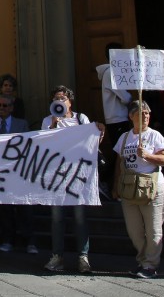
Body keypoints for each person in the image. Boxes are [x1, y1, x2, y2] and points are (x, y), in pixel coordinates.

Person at [42, 85, 100, 272]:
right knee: (57, 218)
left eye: (63, 98)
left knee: (79, 217)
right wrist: (53, 124)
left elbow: (91, 142)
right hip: (56, 176)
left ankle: (83, 257)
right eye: (56, 98)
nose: (59, 101)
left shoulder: (81, 119)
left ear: (70, 101)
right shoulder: (47, 121)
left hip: (78, 175)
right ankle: (57, 256)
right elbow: (43, 145)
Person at [112, 100, 164, 279]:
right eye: (141, 113)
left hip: (151, 186)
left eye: (147, 113)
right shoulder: (124, 138)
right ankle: (143, 259)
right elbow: (119, 163)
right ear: (131, 116)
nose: (145, 116)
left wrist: (148, 155)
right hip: (129, 187)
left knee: (153, 229)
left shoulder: (155, 136)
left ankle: (150, 265)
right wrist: (115, 186)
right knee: (134, 231)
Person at [0, 95, 36, 254]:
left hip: (19, 173)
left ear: (11, 108)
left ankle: (29, 241)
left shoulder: (21, 124)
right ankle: (7, 240)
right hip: (0, 174)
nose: (1, 108)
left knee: (24, 210)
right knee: (4, 210)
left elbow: (27, 147)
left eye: (4, 105)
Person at [96, 43, 133, 186]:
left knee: (120, 152)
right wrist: (132, 100)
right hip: (118, 118)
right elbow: (123, 96)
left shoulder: (110, 72)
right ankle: (109, 181)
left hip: (116, 117)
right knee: (120, 153)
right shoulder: (111, 72)